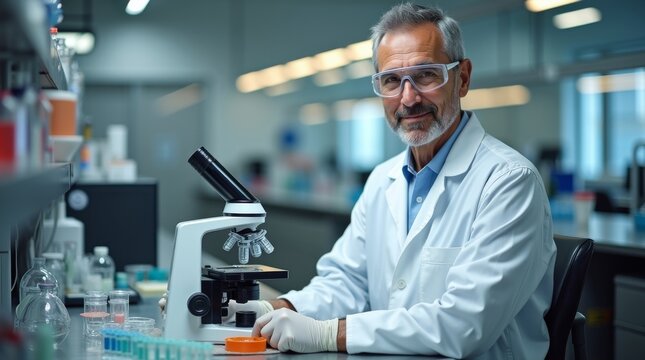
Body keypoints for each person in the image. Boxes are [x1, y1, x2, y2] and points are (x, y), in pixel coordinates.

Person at [235, 3, 556, 358]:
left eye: (426, 75)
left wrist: (331, 334)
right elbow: (347, 281)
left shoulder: (509, 182)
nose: (408, 98)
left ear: (462, 78)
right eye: (391, 80)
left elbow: (464, 324)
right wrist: (277, 310)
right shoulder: (382, 180)